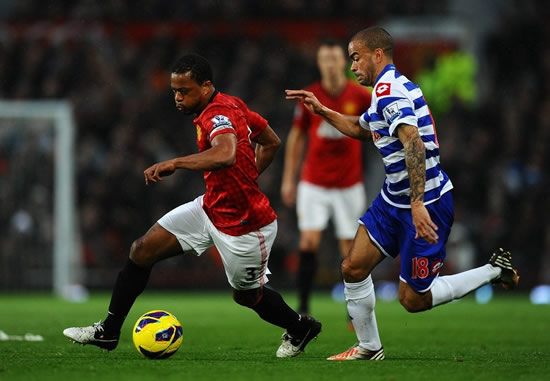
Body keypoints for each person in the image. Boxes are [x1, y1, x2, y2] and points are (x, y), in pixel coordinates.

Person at [63, 53, 321, 358]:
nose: (177, 97)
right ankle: (109, 331)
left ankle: (300, 327)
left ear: (207, 86)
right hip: (210, 208)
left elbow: (225, 153)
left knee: (247, 296)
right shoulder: (232, 104)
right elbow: (271, 140)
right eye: (174, 90)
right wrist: (248, 176)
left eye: (184, 90)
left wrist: (176, 162)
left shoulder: (217, 114)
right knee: (142, 249)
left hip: (247, 226)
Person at [285, 27, 519, 361]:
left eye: (356, 57)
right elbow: (362, 129)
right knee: (352, 268)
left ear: (377, 55)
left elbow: (414, 143)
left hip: (427, 203)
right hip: (393, 200)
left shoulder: (391, 91)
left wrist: (418, 203)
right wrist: (322, 110)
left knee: (413, 299)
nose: (352, 66)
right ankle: (368, 347)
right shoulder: (383, 91)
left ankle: (493, 271)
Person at [281, 39, 371, 316]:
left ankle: (353, 310)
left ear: (343, 63)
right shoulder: (310, 95)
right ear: (319, 63)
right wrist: (288, 178)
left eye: (335, 59)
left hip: (349, 183)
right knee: (308, 241)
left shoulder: (361, 96)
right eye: (325, 59)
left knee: (350, 248)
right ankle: (304, 307)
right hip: (314, 182)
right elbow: (297, 136)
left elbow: (378, 126)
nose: (330, 64)